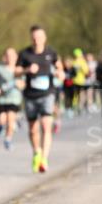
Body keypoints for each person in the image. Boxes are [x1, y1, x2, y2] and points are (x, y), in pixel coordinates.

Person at [17, 25, 63, 173]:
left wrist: (59, 74)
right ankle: (37, 151)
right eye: (34, 38)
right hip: (30, 95)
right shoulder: (24, 54)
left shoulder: (51, 53)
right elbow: (16, 72)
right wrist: (27, 70)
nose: (37, 40)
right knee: (33, 128)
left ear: (44, 38)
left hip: (47, 94)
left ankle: (44, 158)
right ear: (31, 38)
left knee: (46, 125)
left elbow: (60, 68)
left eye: (39, 37)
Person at [0, 48, 22, 151]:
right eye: (8, 55)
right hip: (2, 99)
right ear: (5, 57)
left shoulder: (19, 69)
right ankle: (1, 126)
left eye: (12, 55)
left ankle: (8, 140)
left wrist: (19, 84)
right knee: (2, 120)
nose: (10, 58)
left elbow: (23, 83)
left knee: (10, 120)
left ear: (16, 57)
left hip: (14, 98)